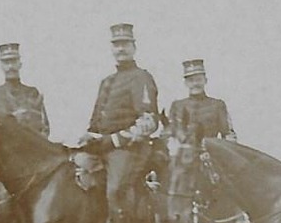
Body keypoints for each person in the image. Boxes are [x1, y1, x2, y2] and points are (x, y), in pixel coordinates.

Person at [166, 58, 235, 212]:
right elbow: (171, 133)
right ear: (186, 83)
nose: (195, 83)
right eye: (191, 80)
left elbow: (228, 134)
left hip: (211, 158)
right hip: (184, 158)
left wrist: (221, 154)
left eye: (198, 79)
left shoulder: (217, 105)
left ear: (205, 80)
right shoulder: (178, 106)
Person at [85, 23, 161, 148]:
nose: (121, 49)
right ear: (112, 49)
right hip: (101, 145)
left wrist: (115, 140)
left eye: (125, 44)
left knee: (118, 168)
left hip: (128, 148)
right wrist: (89, 136)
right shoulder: (106, 81)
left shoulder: (141, 77)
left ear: (134, 48)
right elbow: (95, 122)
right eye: (116, 45)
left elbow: (149, 121)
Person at [0, 43, 50, 137]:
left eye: (14, 61)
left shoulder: (31, 92)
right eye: (6, 62)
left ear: (20, 64)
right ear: (1, 66)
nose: (11, 67)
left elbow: (44, 128)